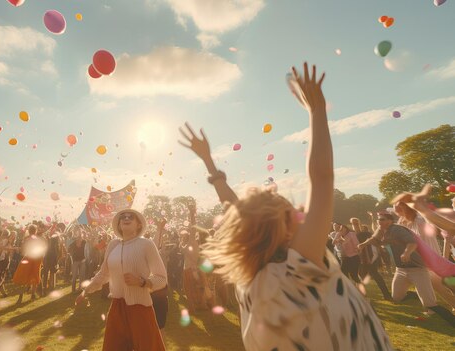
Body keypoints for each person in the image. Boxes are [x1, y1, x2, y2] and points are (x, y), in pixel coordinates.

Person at [181, 63, 393, 350]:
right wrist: (317, 110)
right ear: (279, 226)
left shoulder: (252, 277)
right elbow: (321, 177)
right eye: (290, 210)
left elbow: (233, 208)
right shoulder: (298, 265)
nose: (300, 213)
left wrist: (208, 162)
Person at [75, 209, 167, 351]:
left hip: (140, 307)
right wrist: (86, 291)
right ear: (118, 225)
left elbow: (161, 278)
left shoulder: (146, 244)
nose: (126, 218)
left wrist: (142, 282)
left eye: (131, 216)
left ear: (138, 224)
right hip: (117, 307)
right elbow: (104, 274)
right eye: (122, 217)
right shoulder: (113, 245)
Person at [358, 213, 455, 326]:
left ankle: (452, 321)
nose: (379, 222)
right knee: (396, 297)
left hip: (417, 270)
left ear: (390, 221)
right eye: (378, 219)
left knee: (429, 303)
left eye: (382, 219)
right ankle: (413, 295)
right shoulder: (382, 230)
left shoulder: (398, 230)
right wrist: (363, 244)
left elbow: (412, 243)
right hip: (401, 270)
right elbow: (374, 239)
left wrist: (406, 253)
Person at [351, 218, 391, 300]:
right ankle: (361, 295)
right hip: (363, 258)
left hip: (371, 257)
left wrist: (378, 251)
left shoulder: (365, 233)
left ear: (359, 223)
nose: (354, 225)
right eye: (353, 224)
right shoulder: (353, 234)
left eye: (356, 223)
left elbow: (374, 241)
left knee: (374, 275)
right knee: (364, 276)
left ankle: (386, 295)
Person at [13, 225, 45, 304]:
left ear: (29, 231)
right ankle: (33, 295)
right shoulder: (38, 239)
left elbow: (23, 250)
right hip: (37, 258)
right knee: (34, 275)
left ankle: (20, 296)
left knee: (23, 275)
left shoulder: (26, 239)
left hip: (28, 257)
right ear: (35, 231)